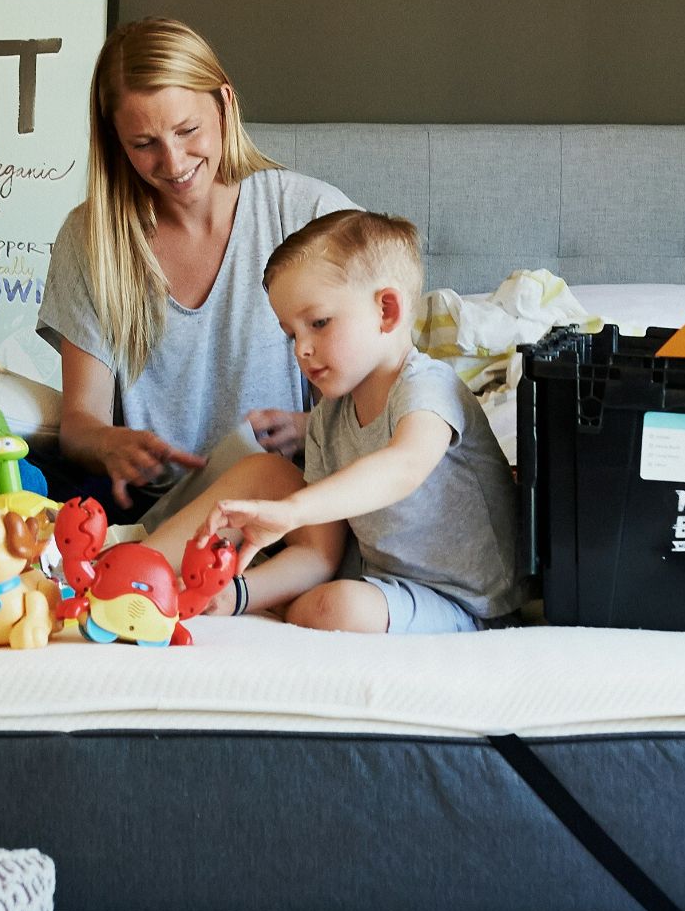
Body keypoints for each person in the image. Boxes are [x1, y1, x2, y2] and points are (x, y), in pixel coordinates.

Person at [38, 16, 357, 528]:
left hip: (282, 500)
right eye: (143, 144)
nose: (173, 161)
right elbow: (79, 424)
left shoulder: (309, 214)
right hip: (150, 506)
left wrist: (311, 428)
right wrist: (108, 443)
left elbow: (379, 394)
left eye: (188, 131)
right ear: (116, 141)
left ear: (225, 104)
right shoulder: (90, 238)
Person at [174, 210, 531, 633]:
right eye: (292, 334)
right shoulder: (328, 416)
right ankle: (142, 571)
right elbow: (321, 551)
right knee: (260, 470)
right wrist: (238, 594)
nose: (301, 350)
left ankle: (277, 601)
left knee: (336, 607)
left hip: (465, 603)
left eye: (319, 323)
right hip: (375, 577)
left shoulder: (427, 387)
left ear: (387, 310)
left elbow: (403, 468)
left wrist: (291, 511)